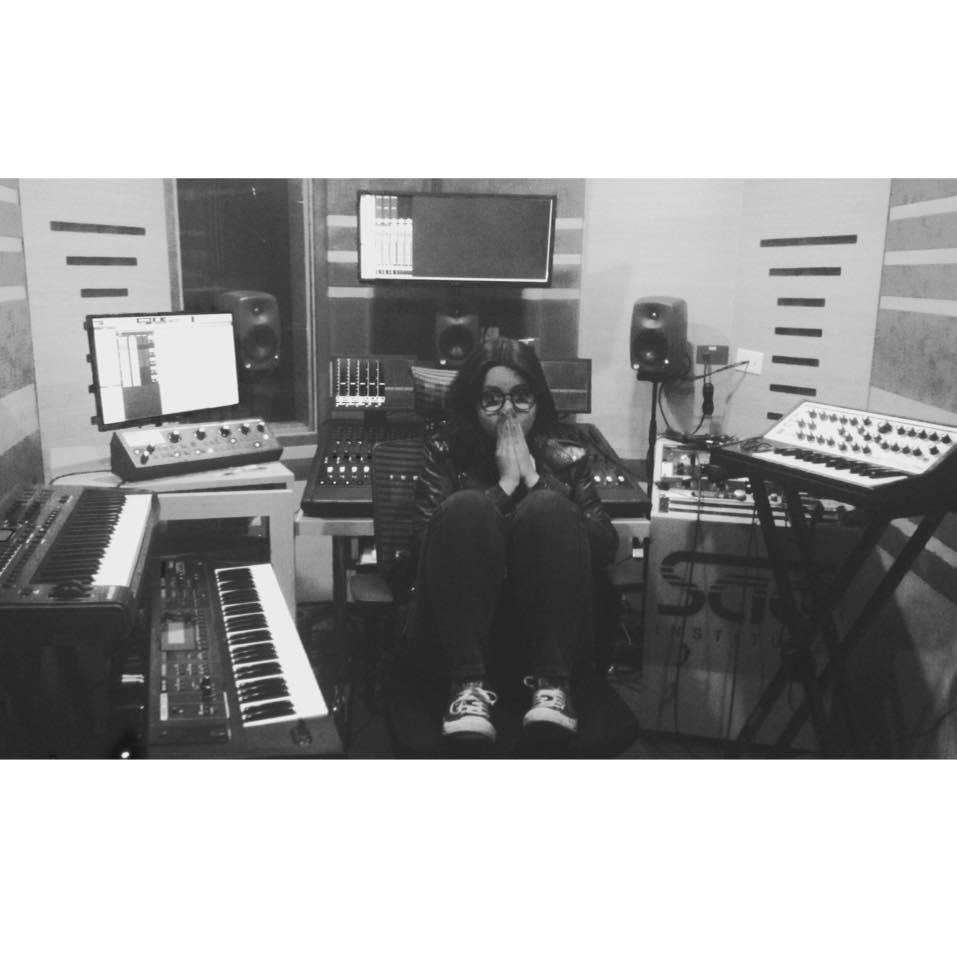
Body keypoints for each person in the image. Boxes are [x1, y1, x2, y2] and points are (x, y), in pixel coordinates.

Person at [405, 337, 619, 747]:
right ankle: (468, 688)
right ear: (473, 404)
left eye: (521, 397)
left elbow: (604, 546)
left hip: (547, 636)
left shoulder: (570, 459)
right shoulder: (444, 454)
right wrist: (504, 487)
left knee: (548, 507)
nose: (508, 411)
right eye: (492, 399)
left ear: (539, 402)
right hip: (461, 636)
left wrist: (536, 481)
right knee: (466, 507)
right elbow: (425, 545)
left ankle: (553, 689)